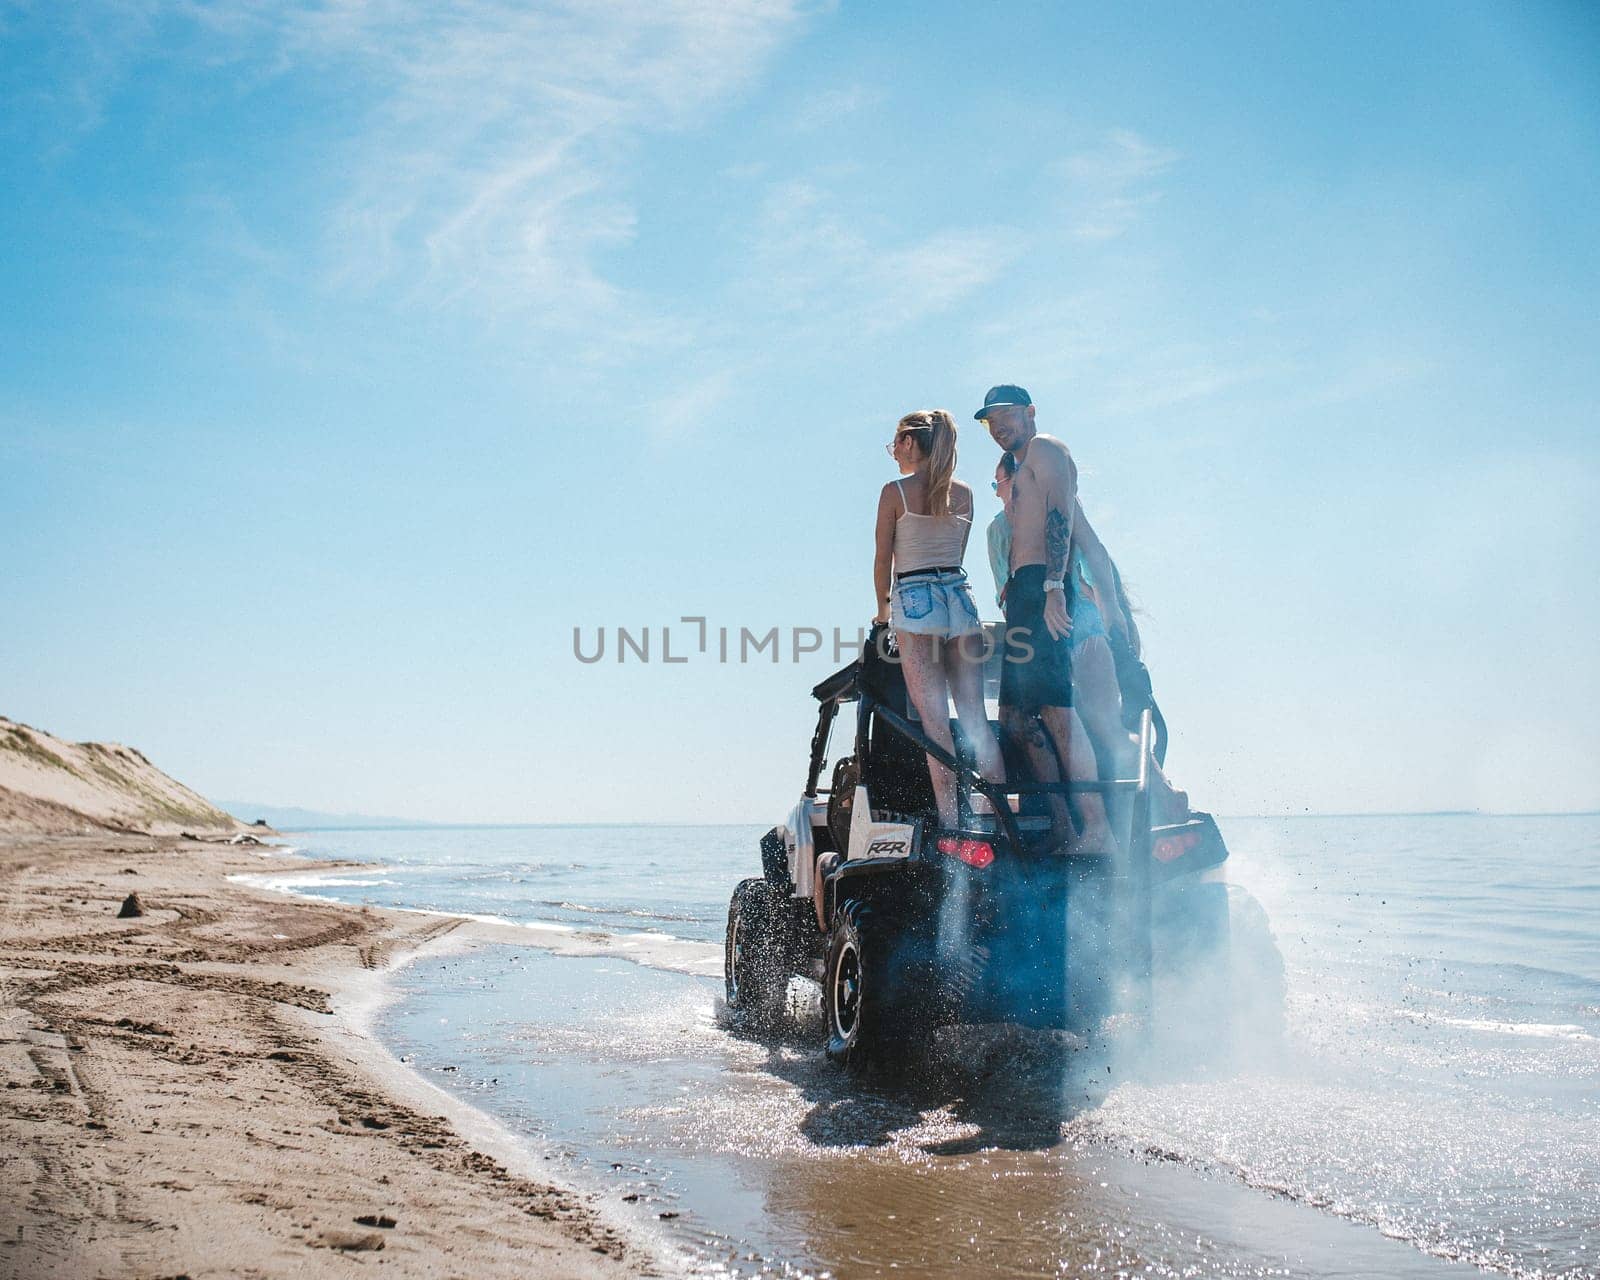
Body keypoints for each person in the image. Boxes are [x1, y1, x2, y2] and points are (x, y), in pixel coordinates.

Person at [975, 384, 1117, 855]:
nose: (999, 427)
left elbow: (1061, 521)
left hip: (1042, 587)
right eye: (991, 421)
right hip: (1023, 595)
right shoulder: (1019, 470)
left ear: (1030, 412)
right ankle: (1063, 825)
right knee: (1015, 718)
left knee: (1058, 710)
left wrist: (1056, 588)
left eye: (1007, 416)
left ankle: (1097, 829)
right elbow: (1090, 539)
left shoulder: (1046, 449)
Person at [873, 410, 1006, 830]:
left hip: (914, 598)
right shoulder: (964, 494)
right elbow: (956, 555)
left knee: (934, 722)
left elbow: (883, 560)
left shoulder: (894, 492)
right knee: (974, 718)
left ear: (911, 442)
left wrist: (882, 611)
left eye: (896, 442)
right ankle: (998, 815)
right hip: (960, 600)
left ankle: (952, 819)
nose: (894, 451)